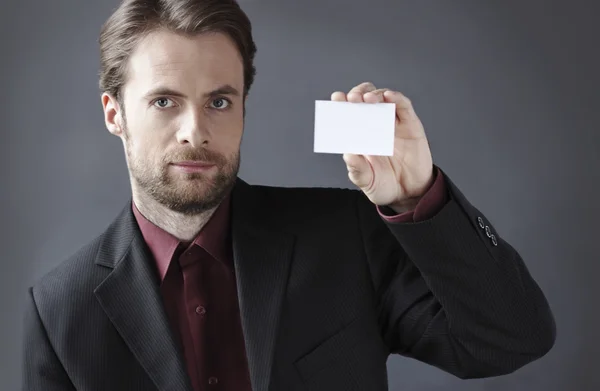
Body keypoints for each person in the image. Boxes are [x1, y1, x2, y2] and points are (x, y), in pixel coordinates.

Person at [21, 0, 556, 390]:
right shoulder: (59, 312)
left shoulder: (345, 236)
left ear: (245, 108)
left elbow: (512, 339)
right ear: (114, 113)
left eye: (220, 102)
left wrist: (418, 198)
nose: (194, 131)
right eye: (164, 101)